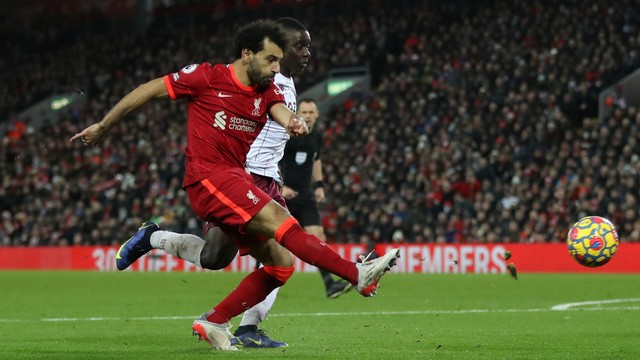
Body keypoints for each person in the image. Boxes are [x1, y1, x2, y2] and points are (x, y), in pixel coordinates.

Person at [70, 19, 400, 351]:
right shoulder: (206, 77)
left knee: (274, 264)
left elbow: (281, 112)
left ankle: (210, 315)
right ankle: (356, 275)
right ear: (247, 54)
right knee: (282, 223)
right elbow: (148, 89)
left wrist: (295, 122)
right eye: (271, 59)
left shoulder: (268, 90)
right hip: (208, 178)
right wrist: (103, 126)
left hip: (235, 178)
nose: (276, 67)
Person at [280, 98, 352, 299]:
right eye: (304, 112)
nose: (308, 116)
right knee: (274, 243)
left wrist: (319, 185)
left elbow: (316, 159)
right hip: (282, 196)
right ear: (297, 113)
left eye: (311, 112)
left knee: (318, 237)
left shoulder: (316, 137)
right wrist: (281, 187)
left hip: (305, 195)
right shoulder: (287, 137)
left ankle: (329, 284)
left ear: (317, 114)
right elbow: (271, 161)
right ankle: (261, 289)